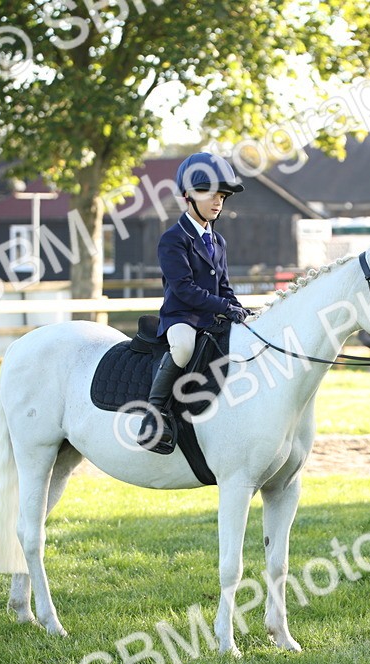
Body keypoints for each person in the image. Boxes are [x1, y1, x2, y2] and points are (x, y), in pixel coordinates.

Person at [137, 152, 250, 454]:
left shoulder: (218, 241)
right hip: (181, 318)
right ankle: (154, 412)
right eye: (211, 195)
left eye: (222, 197)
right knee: (184, 348)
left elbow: (224, 286)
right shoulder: (173, 239)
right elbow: (184, 289)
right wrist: (225, 308)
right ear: (188, 195)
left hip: (212, 318)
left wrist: (239, 309)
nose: (217, 202)